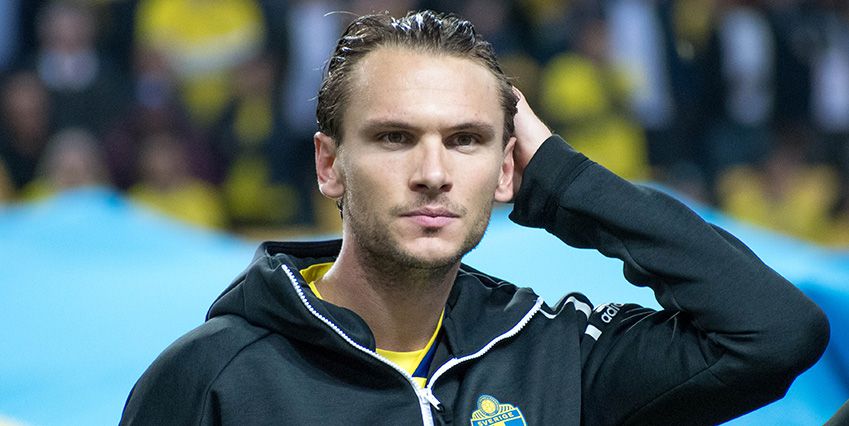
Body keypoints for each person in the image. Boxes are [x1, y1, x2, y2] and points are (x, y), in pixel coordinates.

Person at [120, 10, 829, 425]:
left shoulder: (556, 357)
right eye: (394, 137)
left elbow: (773, 333)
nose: (433, 173)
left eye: (465, 140)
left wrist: (559, 177)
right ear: (329, 165)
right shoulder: (211, 376)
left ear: (506, 168)